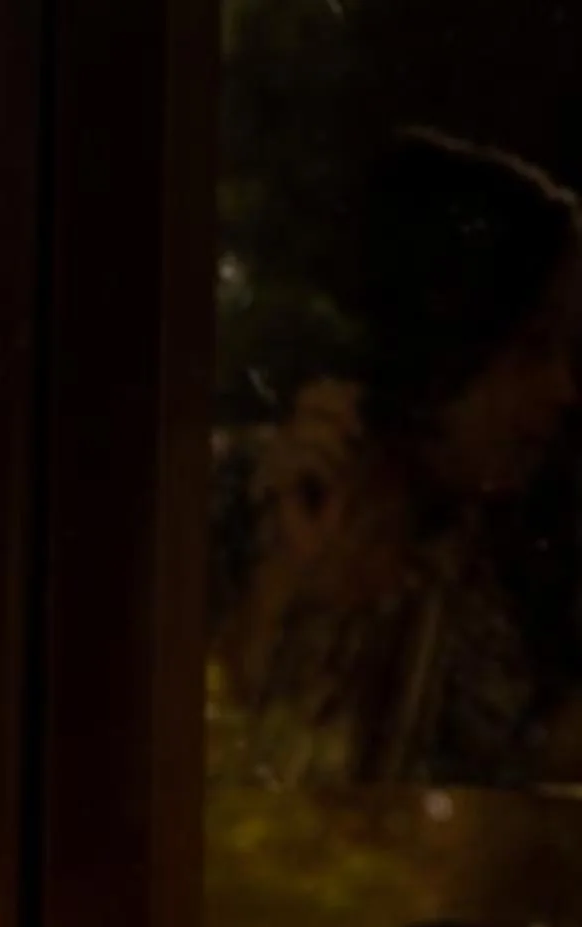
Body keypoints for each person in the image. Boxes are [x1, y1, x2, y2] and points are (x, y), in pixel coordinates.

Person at [218, 128, 582, 785]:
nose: (564, 390)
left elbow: (511, 776)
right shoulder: (238, 505)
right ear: (447, 342)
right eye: (533, 348)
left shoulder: (475, 562)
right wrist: (291, 594)